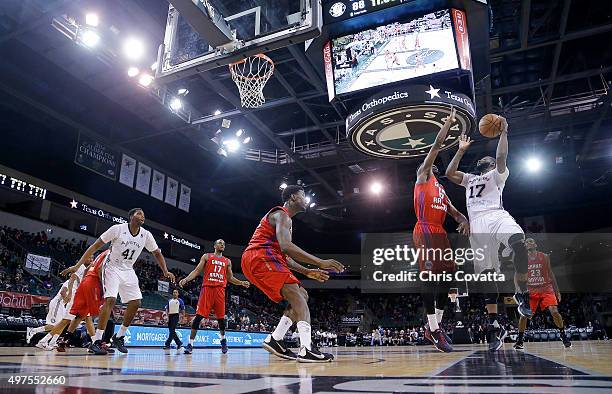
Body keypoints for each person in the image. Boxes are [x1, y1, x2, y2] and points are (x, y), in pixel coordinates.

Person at [445, 120, 533, 352]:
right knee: (486, 277)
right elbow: (449, 173)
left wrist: (503, 133)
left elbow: (503, 157)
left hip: (497, 216)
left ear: (493, 164)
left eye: (491, 160)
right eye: (485, 160)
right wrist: (460, 150)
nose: (488, 161)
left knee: (519, 245)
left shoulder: (497, 175)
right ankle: (495, 327)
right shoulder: (470, 179)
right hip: (478, 226)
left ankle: (521, 292)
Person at [241, 185, 344, 362]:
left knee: (302, 294)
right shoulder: (281, 214)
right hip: (260, 256)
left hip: (263, 258)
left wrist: (307, 271)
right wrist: (320, 262)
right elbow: (286, 247)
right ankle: (307, 349)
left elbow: (285, 257)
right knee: (298, 297)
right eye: (303, 196)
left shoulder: (286, 221)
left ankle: (276, 338)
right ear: (293, 197)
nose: (306, 200)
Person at [61, 208, 175, 354]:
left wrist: (165, 271)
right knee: (111, 300)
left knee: (136, 302)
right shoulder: (117, 229)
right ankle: (97, 340)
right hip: (112, 267)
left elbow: (157, 253)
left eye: (144, 214)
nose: (142, 216)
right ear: (131, 216)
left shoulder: (146, 235)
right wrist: (77, 266)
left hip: (128, 269)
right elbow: (95, 246)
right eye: (139, 213)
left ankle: (119, 336)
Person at [413, 107, 469, 352]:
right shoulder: (423, 175)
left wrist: (463, 219)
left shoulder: (441, 190)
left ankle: (435, 325)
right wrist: (447, 125)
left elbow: (454, 212)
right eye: (431, 164)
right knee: (428, 276)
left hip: (440, 232)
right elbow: (435, 147)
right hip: (424, 228)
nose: (433, 166)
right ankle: (434, 329)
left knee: (448, 275)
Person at [179, 239, 250, 354]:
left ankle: (223, 342)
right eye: (220, 243)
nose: (222, 244)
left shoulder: (227, 261)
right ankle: (190, 344)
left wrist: (241, 282)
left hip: (220, 291)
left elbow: (230, 278)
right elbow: (197, 270)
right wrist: (186, 279)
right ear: (214, 245)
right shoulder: (207, 256)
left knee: (221, 319)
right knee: (198, 318)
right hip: (207, 289)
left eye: (224, 244)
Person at [514, 238, 571, 349]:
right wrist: (517, 287)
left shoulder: (544, 256)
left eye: (530, 241)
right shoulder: (522, 258)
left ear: (535, 244)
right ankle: (520, 340)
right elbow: (517, 274)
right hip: (530, 290)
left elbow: (550, 273)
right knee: (524, 315)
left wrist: (557, 290)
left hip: (546, 288)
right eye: (526, 242)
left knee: (554, 311)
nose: (528, 243)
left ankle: (563, 335)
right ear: (524, 246)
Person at [29, 256, 91, 349]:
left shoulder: (78, 281)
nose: (91, 260)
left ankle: (52, 342)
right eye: (90, 258)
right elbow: (63, 292)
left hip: (63, 305)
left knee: (63, 324)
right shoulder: (68, 282)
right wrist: (68, 297)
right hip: (58, 303)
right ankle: (35, 333)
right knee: (56, 324)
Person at [56, 250, 110, 354]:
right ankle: (97, 343)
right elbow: (100, 270)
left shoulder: (98, 257)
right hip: (93, 284)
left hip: (84, 283)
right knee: (103, 311)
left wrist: (85, 283)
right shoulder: (111, 254)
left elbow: (86, 271)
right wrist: (103, 288)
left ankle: (63, 341)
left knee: (79, 316)